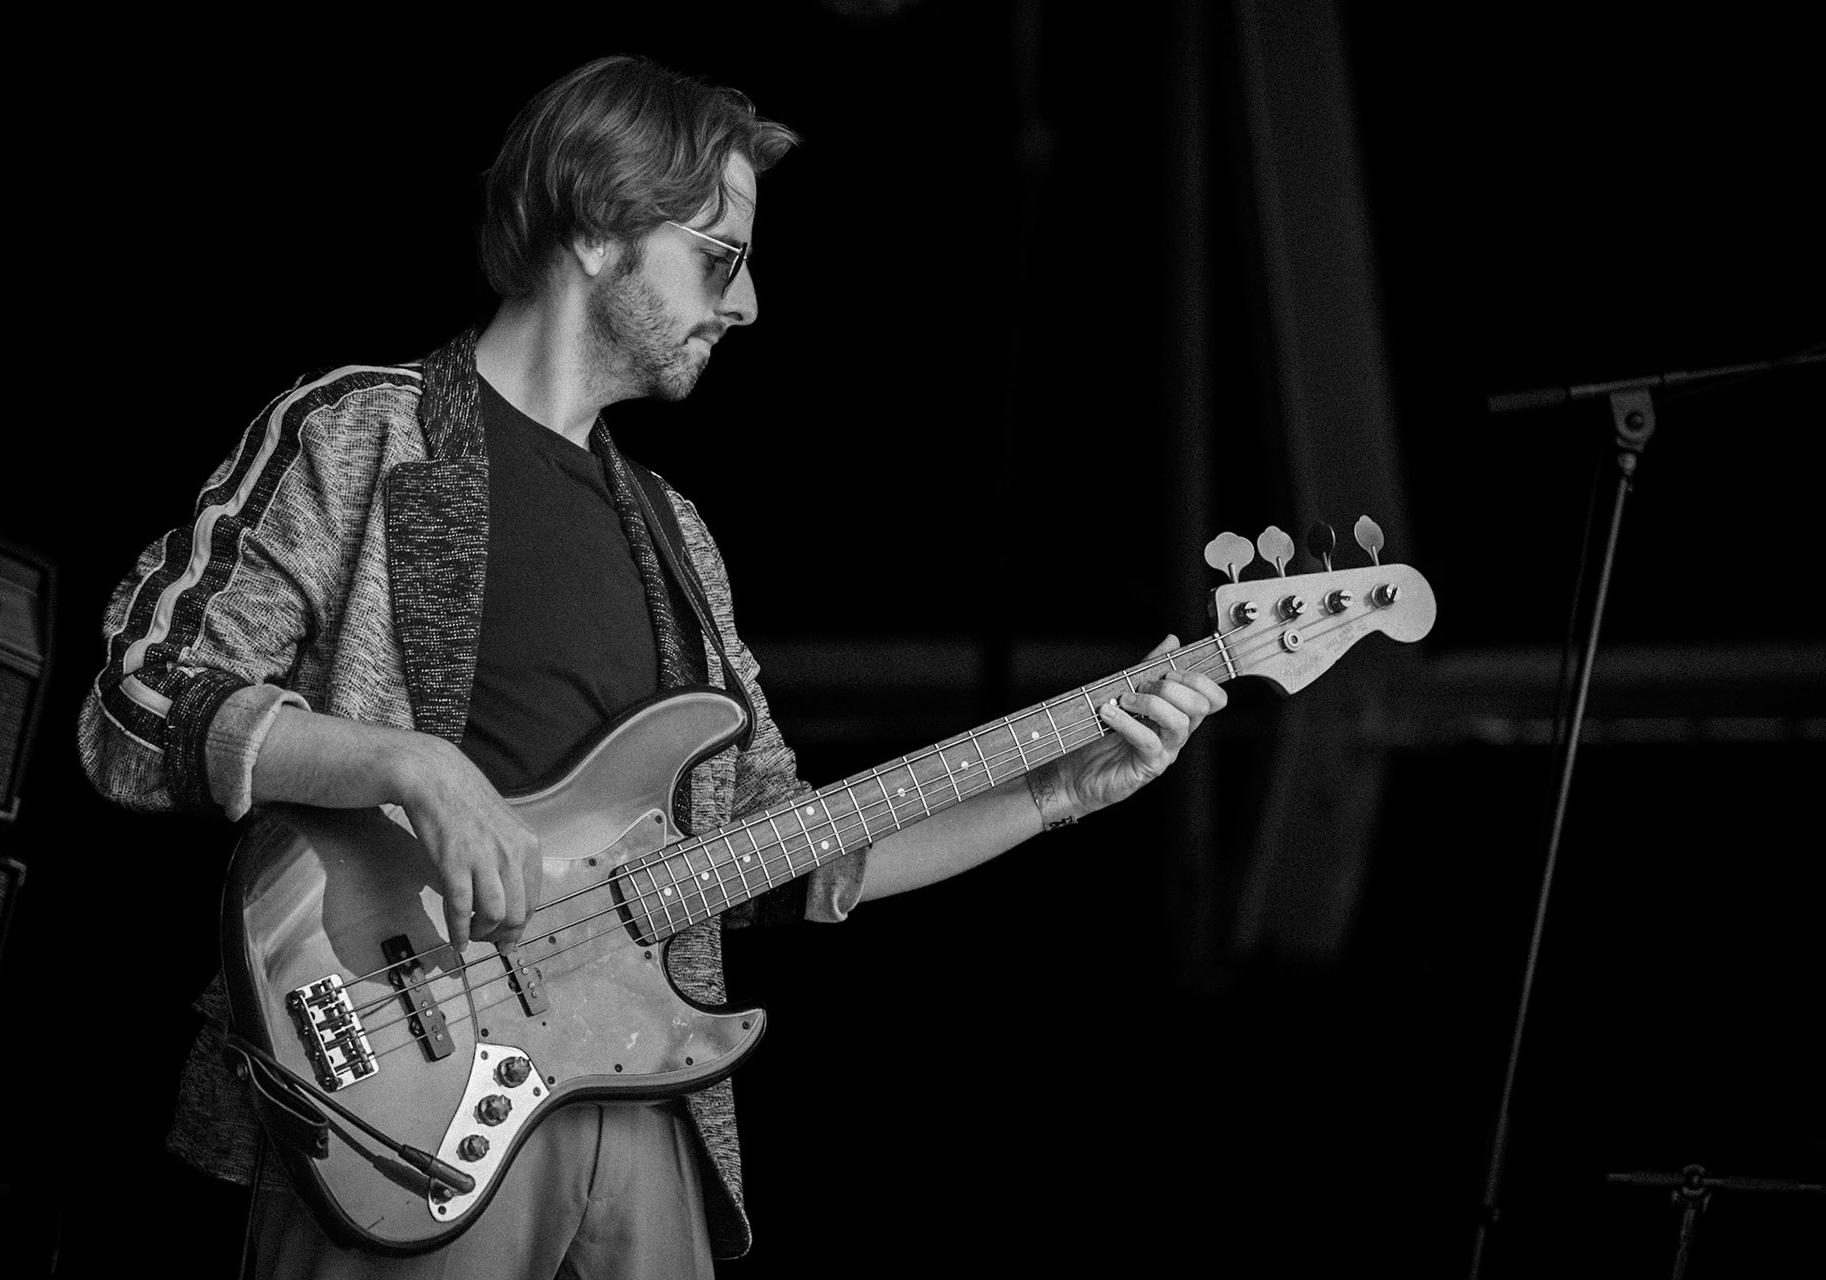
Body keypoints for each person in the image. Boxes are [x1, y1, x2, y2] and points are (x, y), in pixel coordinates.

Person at [78, 54, 1226, 1279]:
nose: (747, 304)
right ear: (593, 227)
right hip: (396, 1100)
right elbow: (139, 702)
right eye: (718, 255)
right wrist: (414, 767)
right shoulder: (358, 431)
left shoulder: (679, 538)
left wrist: (1053, 793)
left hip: (646, 1109)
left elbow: (779, 847)